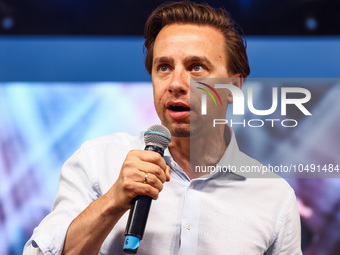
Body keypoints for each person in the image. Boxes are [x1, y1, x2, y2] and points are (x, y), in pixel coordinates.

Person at [23, 1, 302, 254]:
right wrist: (113, 200)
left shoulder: (274, 197)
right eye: (164, 67)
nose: (176, 83)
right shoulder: (96, 161)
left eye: (196, 67)